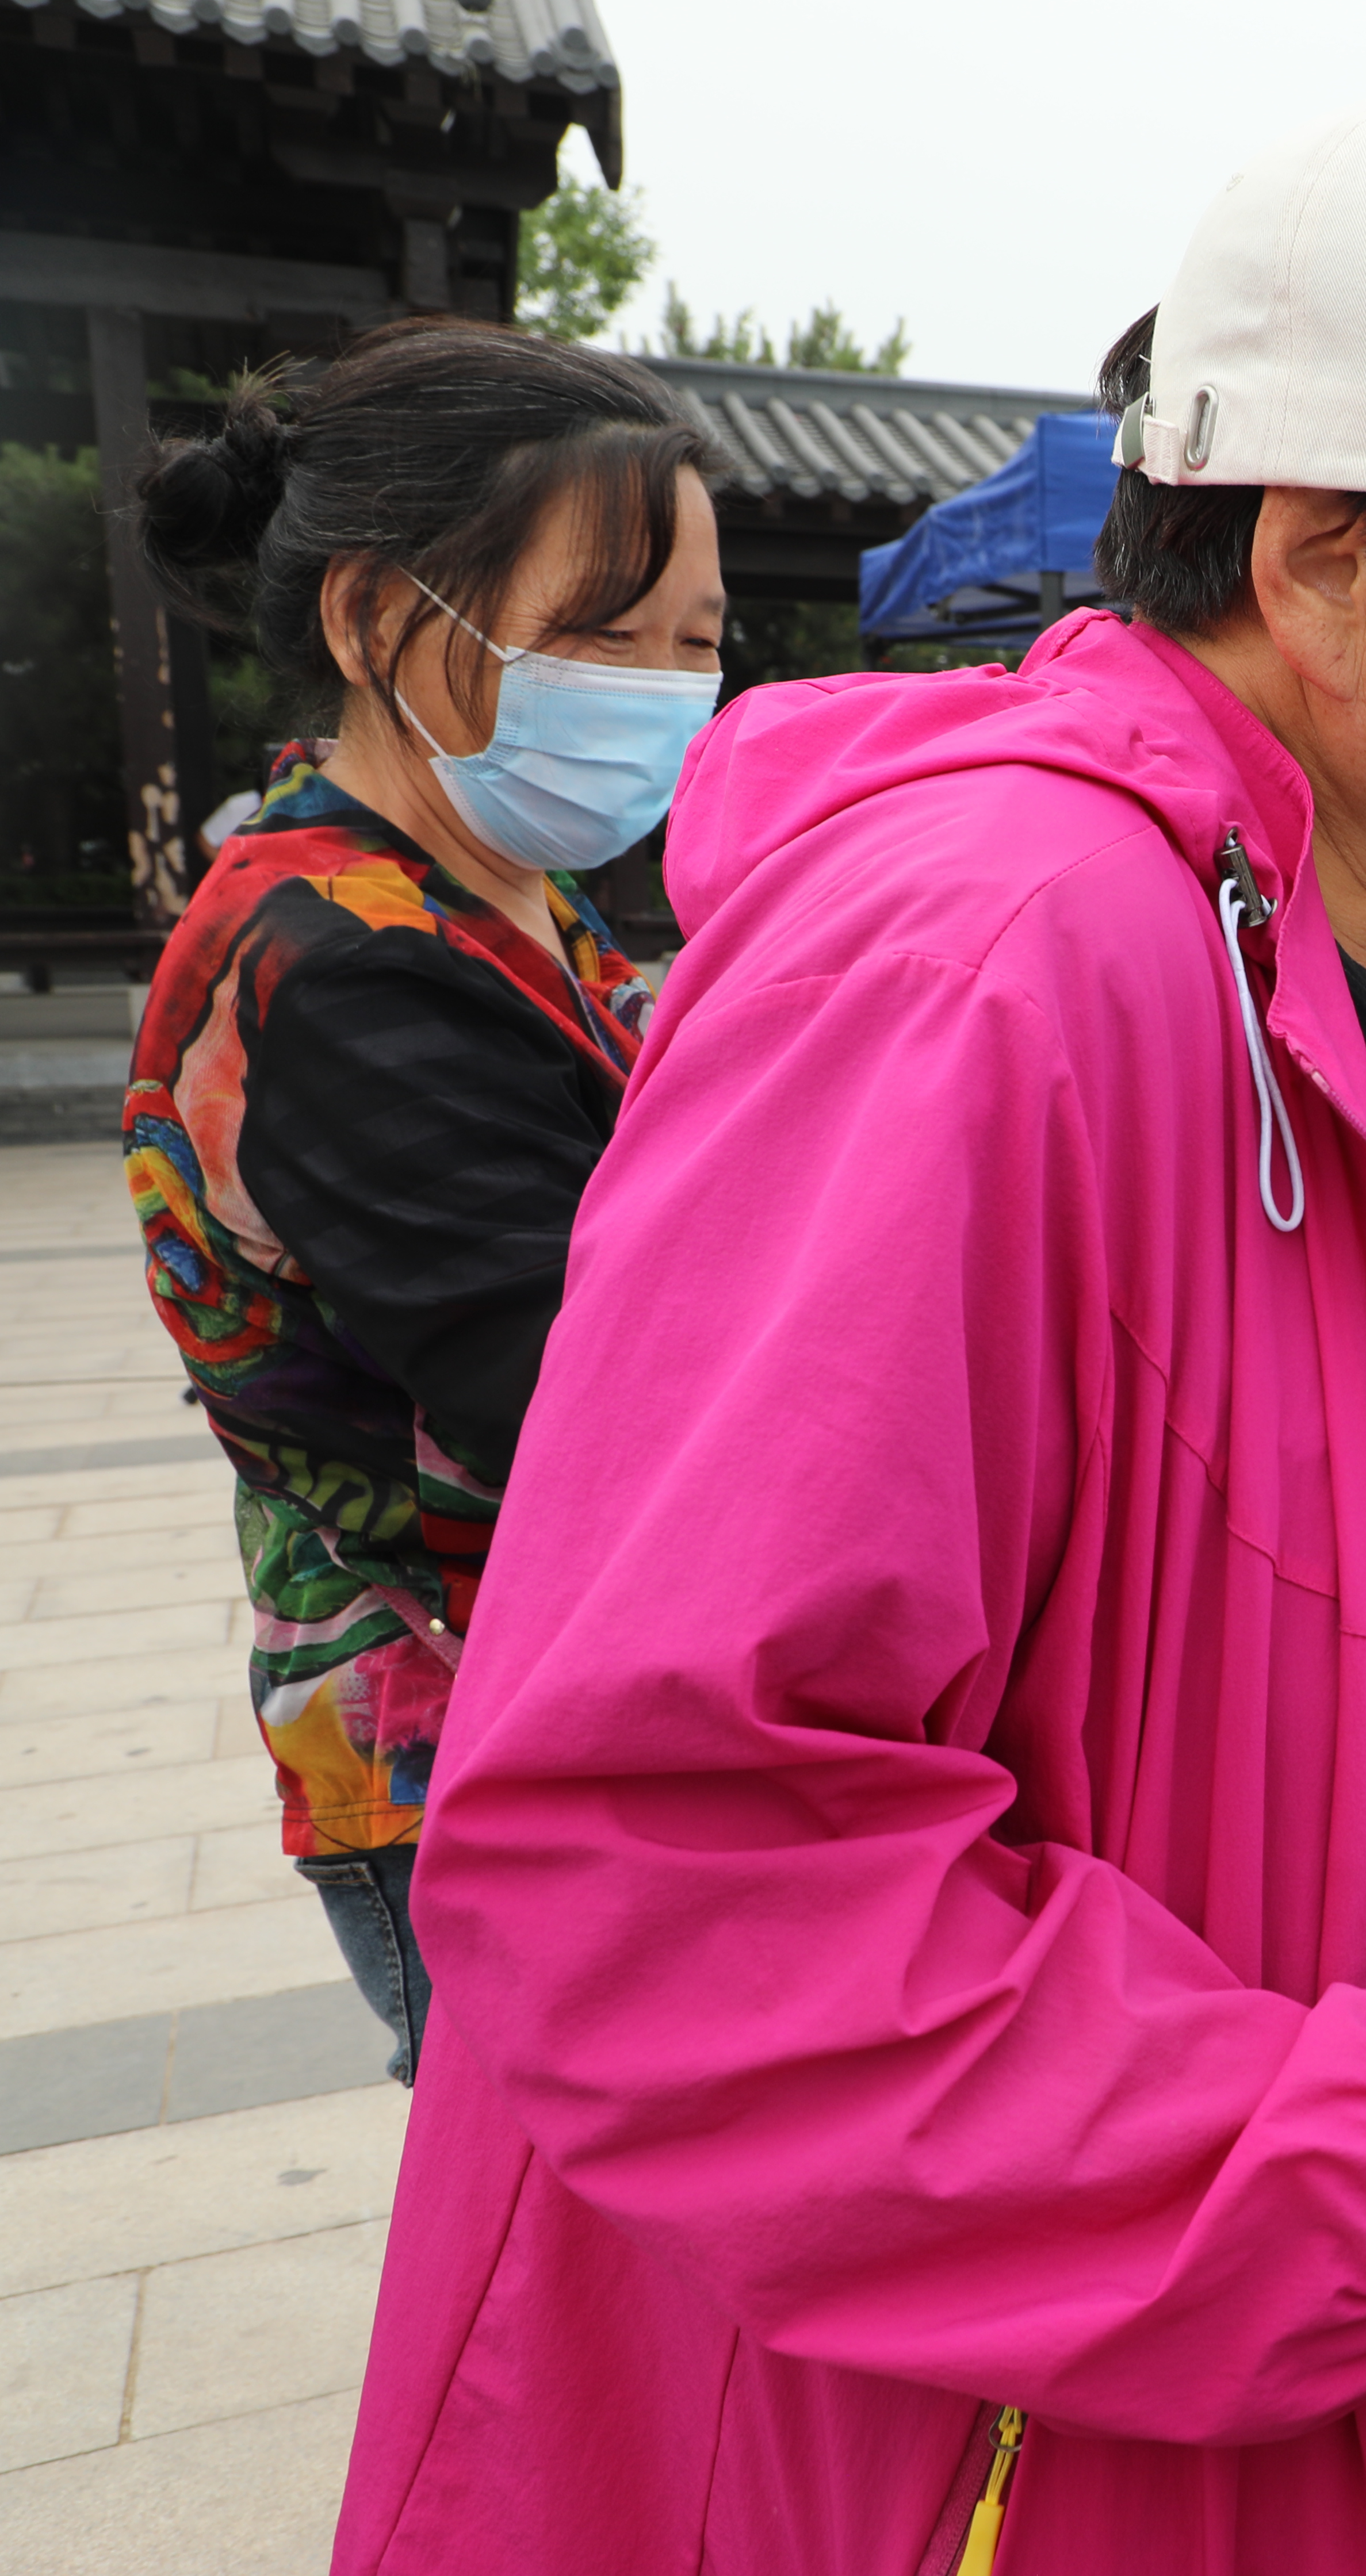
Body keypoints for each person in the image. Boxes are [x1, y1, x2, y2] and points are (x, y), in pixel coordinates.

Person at [331, 85, 1366, 2576]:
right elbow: (667, 1871)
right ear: (1326, 555)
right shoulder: (996, 958)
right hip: (978, 2472)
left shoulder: (1356, 957)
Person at [120, 317, 713, 2090]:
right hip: (477, 1755)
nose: (665, 689)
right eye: (601, 634)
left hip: (591, 1710)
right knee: (570, 2276)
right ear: (380, 622)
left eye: (693, 642)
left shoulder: (515, 895)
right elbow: (585, 1392)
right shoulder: (337, 961)